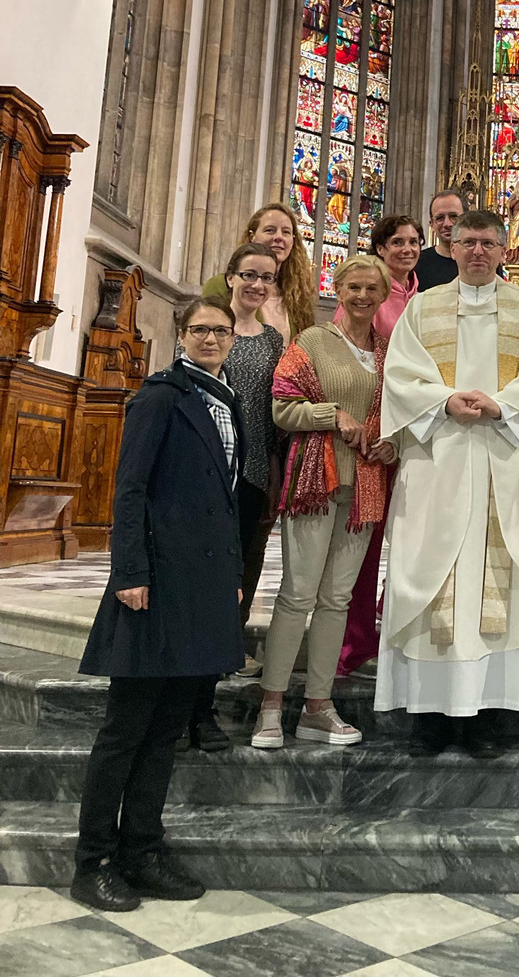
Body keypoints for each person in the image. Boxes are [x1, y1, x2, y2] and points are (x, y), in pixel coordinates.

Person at [71, 296, 246, 912]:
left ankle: (142, 851)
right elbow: (130, 488)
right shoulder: (160, 396)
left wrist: (231, 575)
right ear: (181, 334)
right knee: (126, 728)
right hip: (155, 580)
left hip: (203, 583)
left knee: (168, 726)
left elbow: (225, 497)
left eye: (220, 331)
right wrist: (129, 570)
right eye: (199, 330)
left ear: (233, 338)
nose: (210, 339)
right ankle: (93, 861)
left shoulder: (226, 401)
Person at [375, 209, 519, 758]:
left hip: (503, 462)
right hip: (437, 461)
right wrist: (444, 401)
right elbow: (400, 375)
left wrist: (501, 406)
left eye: (488, 243)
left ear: (504, 251)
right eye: (468, 242)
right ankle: (428, 716)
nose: (478, 251)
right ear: (451, 247)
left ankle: (486, 716)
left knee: (496, 586)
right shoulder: (424, 308)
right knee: (429, 575)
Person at [250, 256, 396, 750]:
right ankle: (271, 707)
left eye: (371, 288)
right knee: (297, 594)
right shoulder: (312, 341)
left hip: (366, 484)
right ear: (338, 288)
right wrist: (333, 416)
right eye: (353, 286)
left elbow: (398, 414)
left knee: (337, 599)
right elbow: (282, 405)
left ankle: (318, 706)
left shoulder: (389, 351)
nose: (362, 296)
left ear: (383, 294)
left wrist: (391, 443)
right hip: (316, 480)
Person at [185, 245, 285, 740]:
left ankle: (216, 672)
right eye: (249, 274)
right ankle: (189, 701)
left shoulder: (272, 340)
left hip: (253, 476)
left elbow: (275, 411)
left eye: (267, 277)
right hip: (204, 479)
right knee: (200, 587)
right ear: (230, 277)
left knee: (238, 582)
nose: (257, 285)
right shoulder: (210, 330)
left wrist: (274, 473)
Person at [336, 216, 423, 675]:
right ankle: (354, 645)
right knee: (362, 547)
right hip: (372, 438)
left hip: (412, 435)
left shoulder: (422, 297)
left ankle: (395, 623)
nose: (407, 249)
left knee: (411, 537)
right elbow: (346, 367)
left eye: (414, 242)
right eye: (397, 242)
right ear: (380, 249)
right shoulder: (367, 294)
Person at [202, 200, 315, 343]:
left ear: (293, 241)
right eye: (270, 230)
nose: (279, 237)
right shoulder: (220, 285)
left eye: (286, 232)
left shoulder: (298, 294)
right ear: (252, 237)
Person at [415, 189, 465, 290]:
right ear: (432, 224)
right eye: (440, 218)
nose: (447, 224)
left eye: (453, 216)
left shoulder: (481, 260)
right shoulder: (417, 263)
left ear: (466, 219)